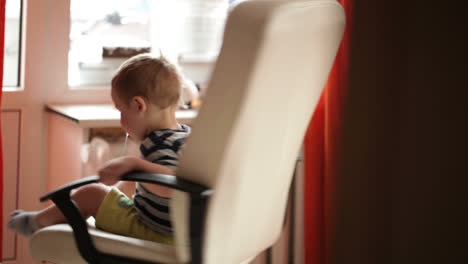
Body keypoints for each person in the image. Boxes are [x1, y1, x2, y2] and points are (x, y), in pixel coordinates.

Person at [8, 53, 191, 244]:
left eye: (121, 111)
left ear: (138, 105)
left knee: (91, 194)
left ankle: (38, 222)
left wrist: (133, 163)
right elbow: (143, 183)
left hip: (155, 232)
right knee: (109, 190)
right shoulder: (184, 135)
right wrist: (119, 189)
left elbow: (174, 187)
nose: (121, 120)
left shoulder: (159, 144)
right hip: (183, 231)